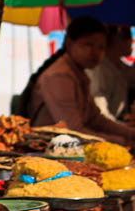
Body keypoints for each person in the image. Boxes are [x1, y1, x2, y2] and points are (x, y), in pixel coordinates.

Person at [21, 16, 135, 145]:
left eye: (101, 48)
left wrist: (130, 134)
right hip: (48, 153)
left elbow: (95, 119)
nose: (95, 52)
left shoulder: (79, 74)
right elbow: (73, 131)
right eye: (88, 45)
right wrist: (122, 141)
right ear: (70, 44)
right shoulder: (60, 76)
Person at [88, 24, 135, 120]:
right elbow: (101, 115)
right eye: (126, 35)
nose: (131, 41)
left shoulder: (119, 66)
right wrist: (123, 129)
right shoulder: (99, 70)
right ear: (114, 38)